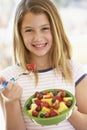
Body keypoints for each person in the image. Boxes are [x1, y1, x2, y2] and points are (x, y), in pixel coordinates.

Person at [0, 0, 87, 130]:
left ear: (56, 29)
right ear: (20, 33)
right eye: (29, 30)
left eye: (45, 28)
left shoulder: (74, 71)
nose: (38, 38)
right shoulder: (9, 79)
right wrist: (10, 102)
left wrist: (63, 108)